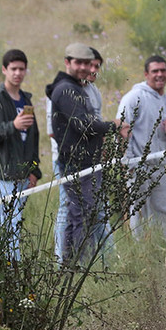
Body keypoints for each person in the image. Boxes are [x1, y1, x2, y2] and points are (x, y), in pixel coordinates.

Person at [45, 42, 124, 265]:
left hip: (88, 161)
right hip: (76, 163)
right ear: (67, 62)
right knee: (80, 216)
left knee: (81, 215)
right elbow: (84, 125)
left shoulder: (79, 88)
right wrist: (114, 125)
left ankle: (72, 266)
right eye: (77, 62)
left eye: (86, 63)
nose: (83, 67)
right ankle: (78, 266)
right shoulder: (66, 90)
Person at [0, 49, 41, 261]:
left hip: (22, 172)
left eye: (21, 69)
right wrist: (12, 125)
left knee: (5, 224)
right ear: (4, 70)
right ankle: (13, 270)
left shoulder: (26, 99)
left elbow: (33, 136)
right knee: (11, 223)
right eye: (13, 69)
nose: (17, 73)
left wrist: (34, 170)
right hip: (2, 172)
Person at [116, 55, 166, 238]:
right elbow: (121, 129)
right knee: (138, 212)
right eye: (155, 71)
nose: (160, 75)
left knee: (163, 210)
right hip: (137, 166)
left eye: (163, 70)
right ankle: (139, 251)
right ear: (146, 74)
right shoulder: (134, 97)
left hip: (158, 166)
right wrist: (129, 165)